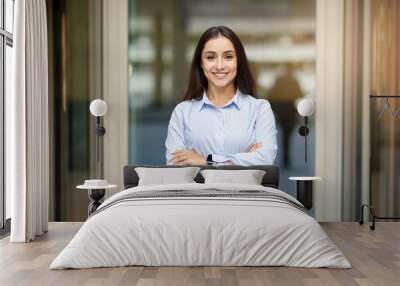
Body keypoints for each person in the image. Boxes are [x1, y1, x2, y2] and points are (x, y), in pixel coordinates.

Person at [165, 26, 277, 166]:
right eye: (211, 57)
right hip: (195, 189)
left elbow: (265, 159)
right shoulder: (182, 112)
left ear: (238, 61)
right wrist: (244, 159)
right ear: (201, 63)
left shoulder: (260, 110)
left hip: (245, 189)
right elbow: (175, 164)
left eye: (228, 57)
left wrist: (206, 160)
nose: (219, 66)